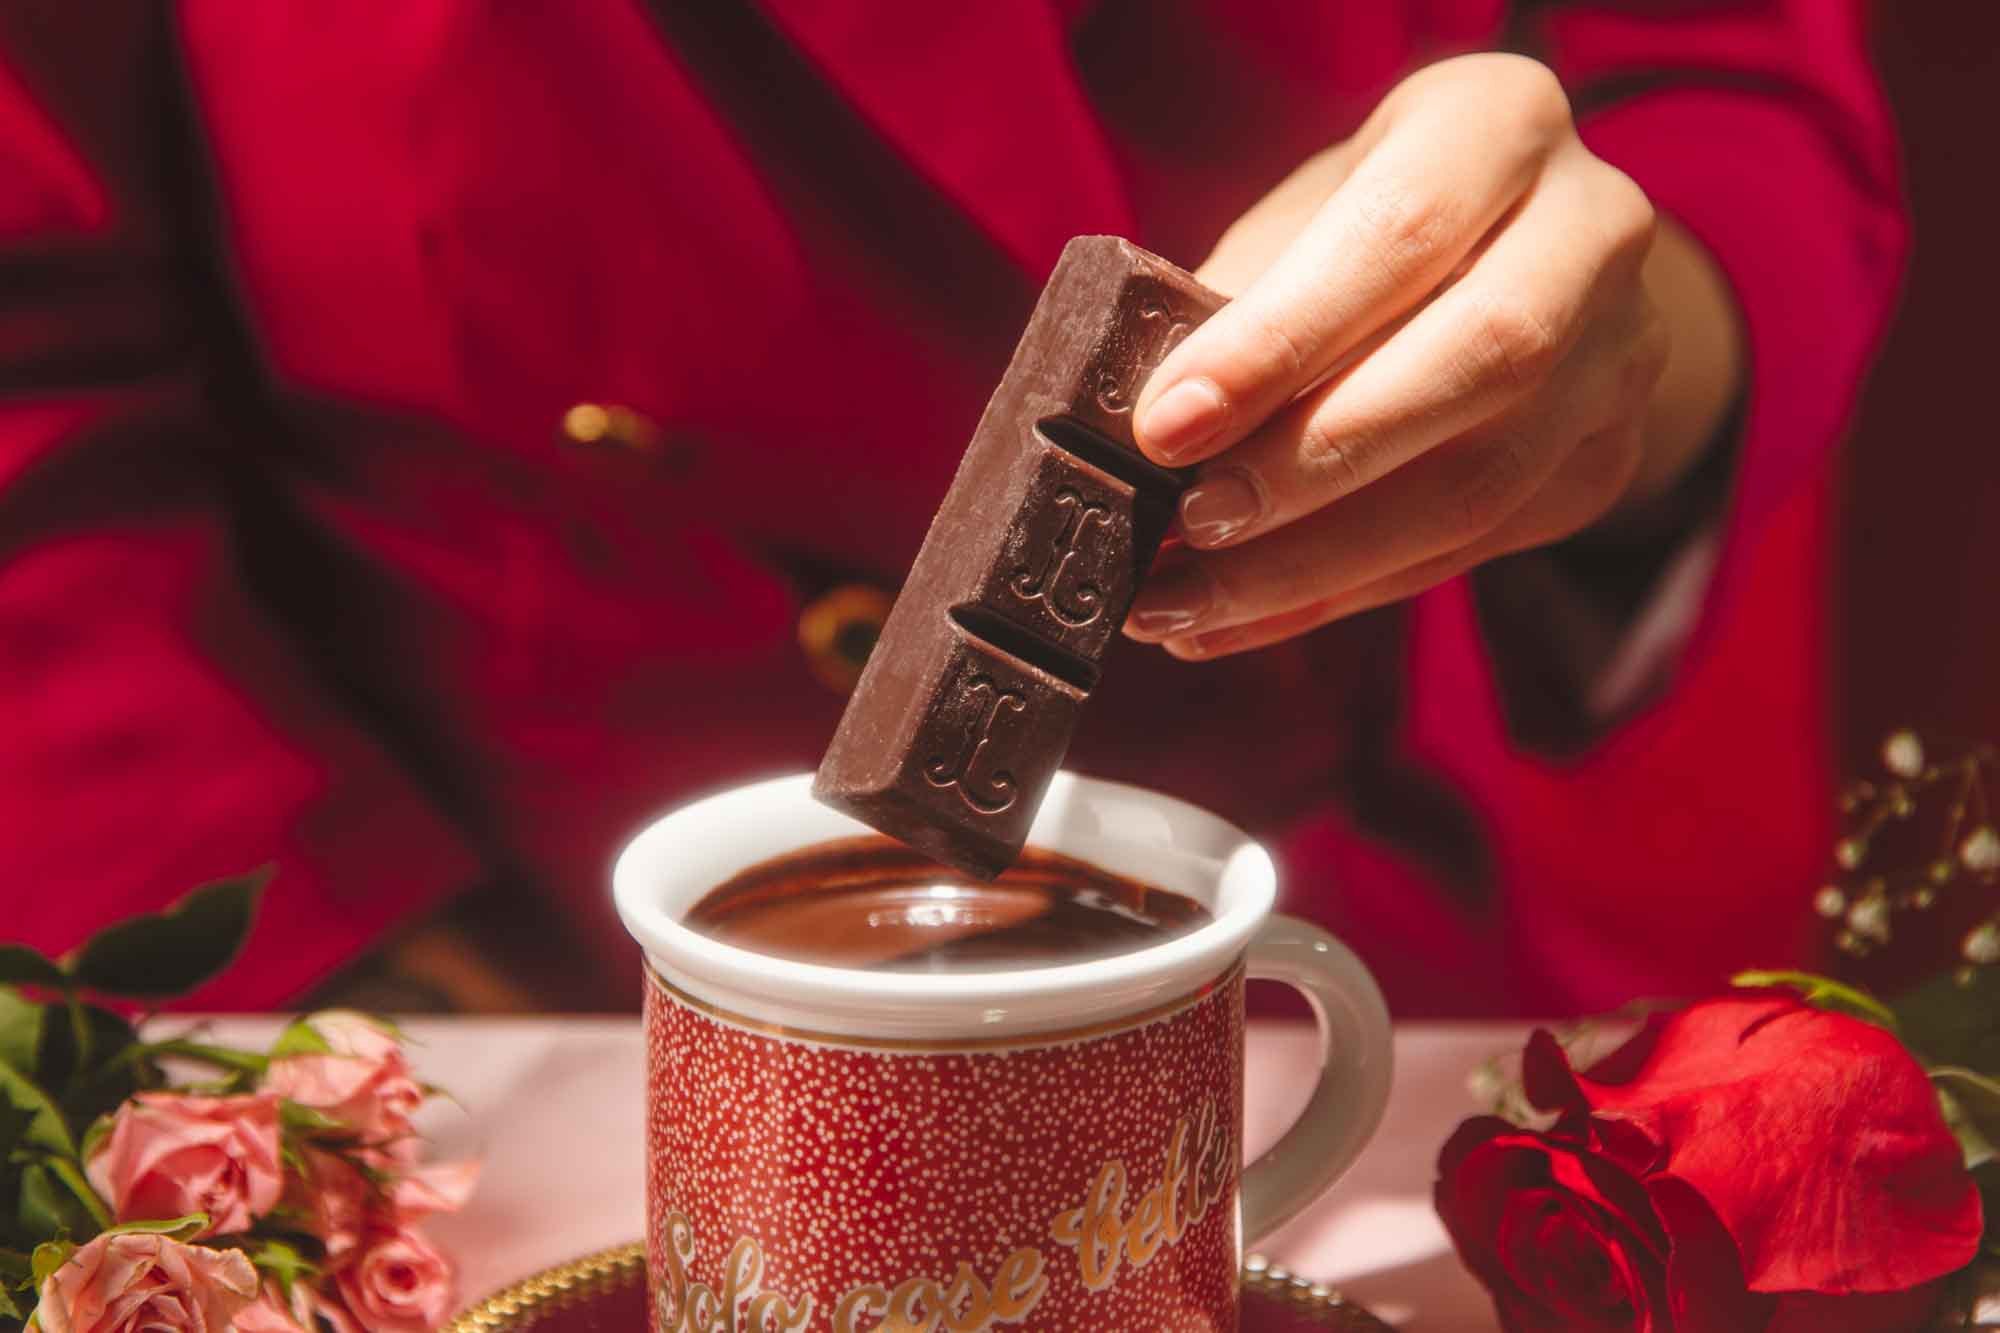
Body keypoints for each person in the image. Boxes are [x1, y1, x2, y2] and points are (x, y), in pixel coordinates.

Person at [0, 1, 1905, 1015]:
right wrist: (373, 1007)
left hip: (1302, 912)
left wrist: (1607, 336)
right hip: (457, 922)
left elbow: (1729, 79)